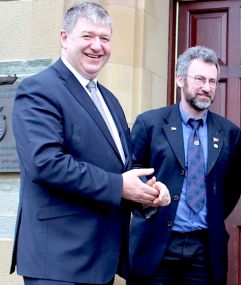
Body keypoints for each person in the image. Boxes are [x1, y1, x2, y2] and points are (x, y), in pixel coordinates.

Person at [10, 2, 170, 285]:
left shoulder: (110, 100)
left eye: (105, 38)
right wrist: (119, 185)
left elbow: (121, 166)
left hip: (100, 262)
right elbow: (46, 164)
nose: (97, 46)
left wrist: (147, 193)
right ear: (64, 37)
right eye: (87, 36)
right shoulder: (38, 90)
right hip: (58, 263)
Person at [127, 46, 241, 285]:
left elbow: (230, 190)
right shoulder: (149, 124)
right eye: (200, 79)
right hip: (156, 243)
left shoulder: (230, 132)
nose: (207, 87)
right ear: (180, 79)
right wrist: (150, 194)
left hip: (204, 249)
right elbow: (131, 174)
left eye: (213, 81)